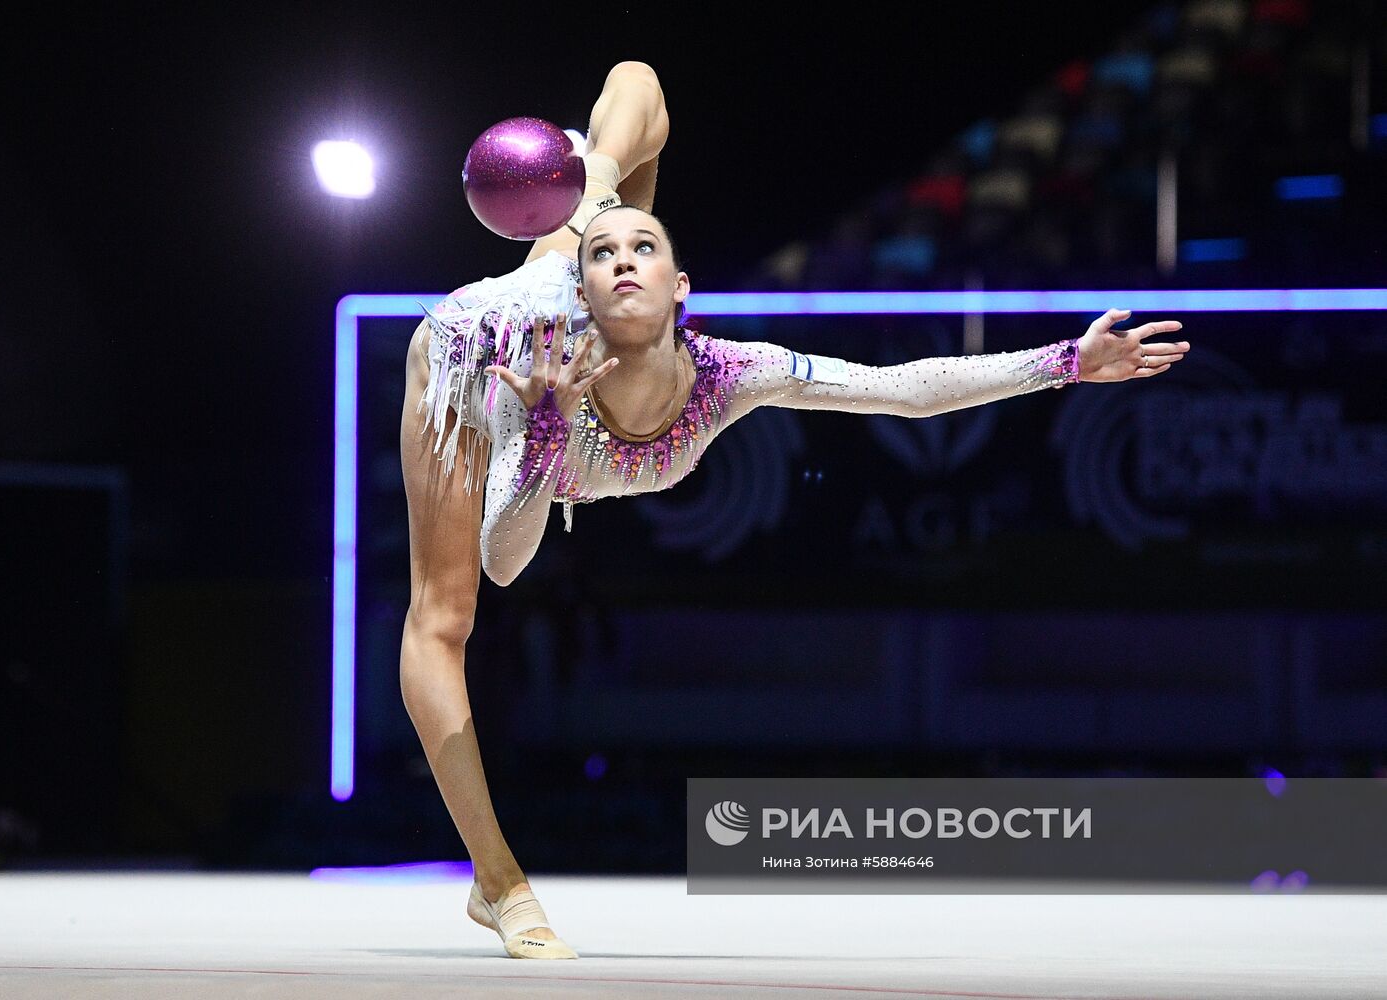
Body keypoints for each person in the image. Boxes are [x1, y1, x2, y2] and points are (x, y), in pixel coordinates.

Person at [399, 62, 1190, 961]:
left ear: (683, 284)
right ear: (579, 291)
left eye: (643, 249)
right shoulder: (523, 367)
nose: (623, 261)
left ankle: (595, 175)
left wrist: (1065, 363)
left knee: (638, 80)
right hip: (477, 371)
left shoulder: (733, 372)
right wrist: (540, 434)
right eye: (605, 255)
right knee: (445, 617)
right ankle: (498, 884)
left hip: (574, 286)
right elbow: (507, 561)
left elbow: (900, 391)